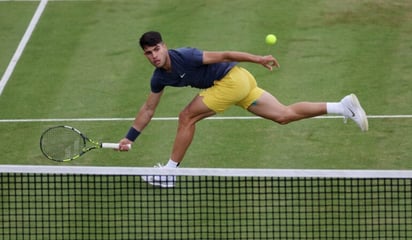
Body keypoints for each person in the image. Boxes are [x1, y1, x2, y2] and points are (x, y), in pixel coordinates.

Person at [118, 31, 368, 188]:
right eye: (148, 53)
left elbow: (225, 54)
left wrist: (259, 58)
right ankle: (342, 106)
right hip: (241, 82)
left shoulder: (186, 56)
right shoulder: (158, 78)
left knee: (186, 117)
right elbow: (148, 109)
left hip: (232, 80)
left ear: (164, 46)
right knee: (283, 115)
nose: (154, 56)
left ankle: (170, 173)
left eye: (156, 49)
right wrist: (129, 138)